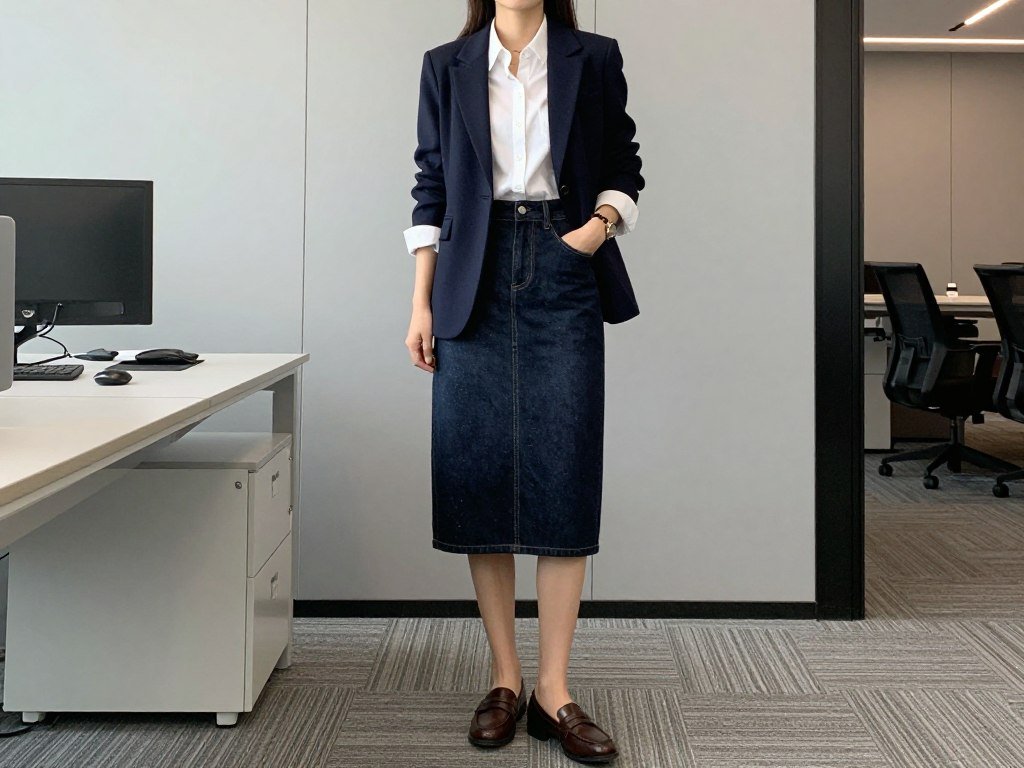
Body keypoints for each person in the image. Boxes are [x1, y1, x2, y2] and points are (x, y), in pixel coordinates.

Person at [402, 0, 643, 762]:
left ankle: (555, 688)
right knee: (481, 472)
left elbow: (624, 164)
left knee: (562, 471)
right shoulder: (446, 65)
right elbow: (430, 185)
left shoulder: (593, 57)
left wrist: (595, 228)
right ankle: (505, 678)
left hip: (562, 265)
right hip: (468, 276)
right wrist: (419, 302)